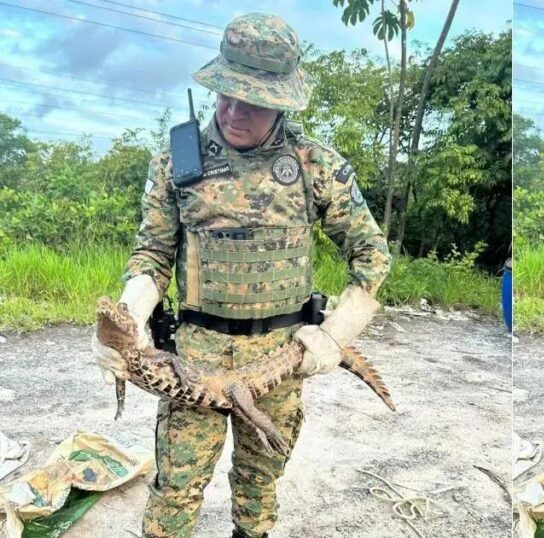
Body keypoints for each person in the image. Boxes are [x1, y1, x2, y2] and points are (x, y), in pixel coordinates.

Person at [90, 13, 391, 538]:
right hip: (194, 360)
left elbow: (371, 254)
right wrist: (131, 315)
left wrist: (335, 335)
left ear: (281, 100)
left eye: (251, 101)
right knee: (175, 488)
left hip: (280, 359)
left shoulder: (314, 164)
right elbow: (153, 252)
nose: (233, 111)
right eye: (225, 94)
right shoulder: (177, 161)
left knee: (259, 483)